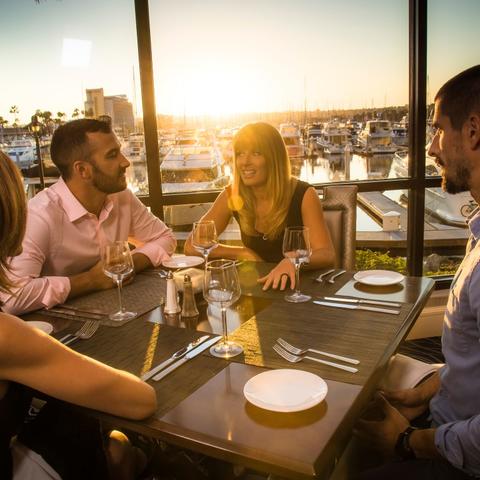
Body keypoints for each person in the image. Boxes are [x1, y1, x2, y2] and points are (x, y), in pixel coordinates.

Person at [355, 65, 480, 479]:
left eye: (438, 130)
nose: (430, 148)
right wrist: (421, 395)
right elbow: (471, 363)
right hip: (441, 420)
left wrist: (409, 442)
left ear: (474, 130)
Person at [0, 150, 157, 479]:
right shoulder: (6, 337)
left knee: (83, 426)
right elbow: (141, 400)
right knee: (118, 447)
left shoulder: (121, 199)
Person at [0, 119, 176, 315]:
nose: (125, 162)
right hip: (59, 327)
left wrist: (129, 264)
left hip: (119, 310)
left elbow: (166, 238)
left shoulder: (121, 197)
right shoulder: (40, 215)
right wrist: (91, 280)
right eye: (112, 155)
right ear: (82, 170)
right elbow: (12, 297)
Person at [184, 122, 335, 290]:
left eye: (256, 153)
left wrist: (292, 262)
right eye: (240, 154)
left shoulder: (304, 194)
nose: (244, 162)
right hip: (257, 290)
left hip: (298, 290)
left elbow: (326, 254)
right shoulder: (232, 194)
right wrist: (243, 253)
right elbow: (191, 246)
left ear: (274, 158)